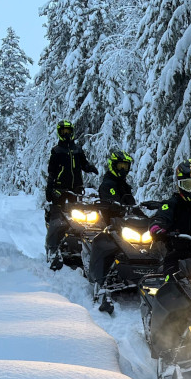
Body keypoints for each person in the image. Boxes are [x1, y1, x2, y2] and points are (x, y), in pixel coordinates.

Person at [44, 120, 98, 269]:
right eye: (63, 131)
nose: (66, 134)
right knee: (58, 218)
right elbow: (52, 171)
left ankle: (81, 245)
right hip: (60, 190)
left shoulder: (77, 149)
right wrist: (50, 188)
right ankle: (53, 249)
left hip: (76, 189)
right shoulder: (56, 151)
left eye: (68, 131)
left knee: (80, 217)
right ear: (59, 133)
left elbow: (83, 163)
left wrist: (90, 167)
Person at [87, 149, 138, 285]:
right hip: (109, 223)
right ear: (113, 165)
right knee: (104, 244)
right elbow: (109, 200)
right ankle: (99, 278)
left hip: (124, 222)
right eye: (120, 166)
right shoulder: (108, 184)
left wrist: (143, 214)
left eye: (125, 166)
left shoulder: (124, 185)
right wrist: (112, 205)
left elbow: (131, 202)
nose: (123, 169)